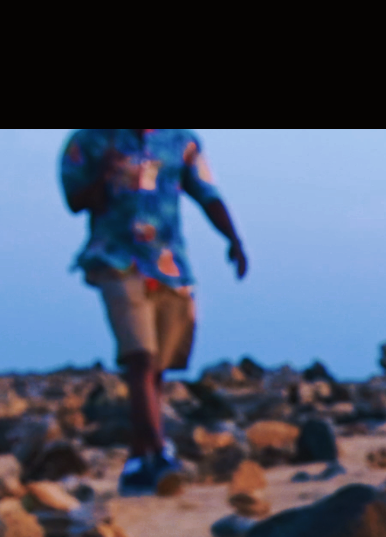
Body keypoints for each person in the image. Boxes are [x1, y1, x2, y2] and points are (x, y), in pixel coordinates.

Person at [60, 129, 246, 494]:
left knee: (157, 367)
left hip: (168, 264)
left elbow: (206, 192)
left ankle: (139, 459)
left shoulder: (181, 142)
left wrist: (233, 238)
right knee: (140, 359)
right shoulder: (90, 141)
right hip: (116, 258)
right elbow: (76, 200)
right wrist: (106, 173)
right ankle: (159, 454)